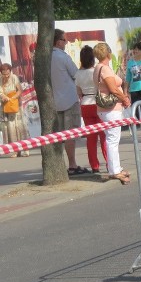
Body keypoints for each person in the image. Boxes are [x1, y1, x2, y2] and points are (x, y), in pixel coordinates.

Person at [93, 42, 132, 184]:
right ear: (108, 54)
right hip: (111, 109)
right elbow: (113, 89)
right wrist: (125, 99)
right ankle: (114, 170)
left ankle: (115, 168)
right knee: (113, 139)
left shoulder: (98, 68)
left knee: (111, 139)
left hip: (105, 110)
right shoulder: (105, 69)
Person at [51, 29, 87, 174]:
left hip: (54, 102)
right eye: (64, 40)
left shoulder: (44, 58)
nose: (66, 43)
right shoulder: (63, 57)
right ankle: (72, 165)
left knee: (59, 136)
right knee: (70, 134)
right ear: (58, 41)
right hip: (69, 100)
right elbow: (76, 75)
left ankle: (61, 165)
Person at [74, 46, 107, 171]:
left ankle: (94, 165)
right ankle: (109, 162)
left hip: (85, 104)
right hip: (98, 103)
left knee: (91, 139)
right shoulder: (96, 71)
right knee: (104, 136)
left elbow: (79, 92)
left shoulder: (78, 74)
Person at [0, 63, 28, 157]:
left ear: (10, 71)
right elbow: (0, 92)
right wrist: (4, 97)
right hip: (6, 106)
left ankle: (25, 149)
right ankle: (14, 150)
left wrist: (12, 98)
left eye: (8, 74)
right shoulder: (0, 79)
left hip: (16, 105)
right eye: (4, 74)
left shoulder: (14, 77)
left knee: (20, 126)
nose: (6, 76)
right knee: (10, 128)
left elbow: (20, 90)